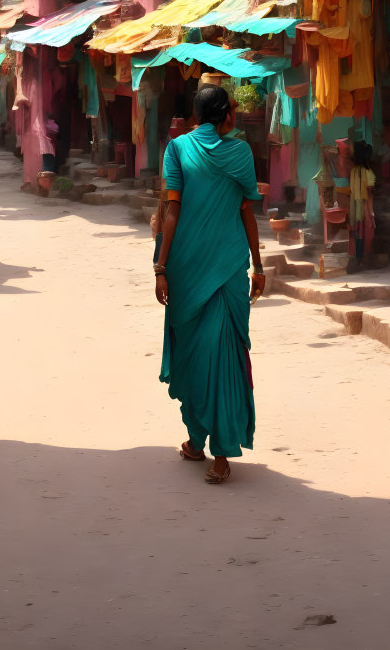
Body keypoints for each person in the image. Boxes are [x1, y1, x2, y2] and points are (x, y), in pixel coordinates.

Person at [152, 85, 265, 485]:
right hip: (228, 267)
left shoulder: (177, 149)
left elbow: (171, 211)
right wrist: (259, 264)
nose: (236, 112)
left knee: (198, 356)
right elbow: (247, 211)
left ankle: (210, 445)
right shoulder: (240, 153)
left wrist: (160, 267)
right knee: (221, 358)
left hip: (186, 268)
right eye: (233, 107)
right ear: (225, 115)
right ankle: (205, 446)